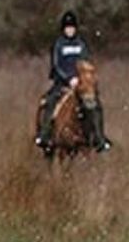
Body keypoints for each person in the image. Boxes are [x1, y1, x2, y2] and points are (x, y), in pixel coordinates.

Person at [36, 9, 110, 152]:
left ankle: (99, 138)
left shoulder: (81, 45)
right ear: (63, 29)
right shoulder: (58, 45)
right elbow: (56, 65)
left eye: (72, 27)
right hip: (62, 83)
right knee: (50, 102)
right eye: (67, 28)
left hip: (80, 84)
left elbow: (86, 63)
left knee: (95, 105)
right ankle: (44, 136)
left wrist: (84, 79)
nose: (70, 30)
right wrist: (68, 78)